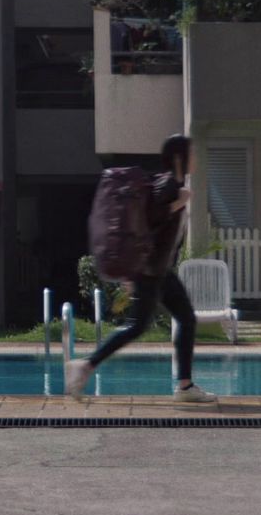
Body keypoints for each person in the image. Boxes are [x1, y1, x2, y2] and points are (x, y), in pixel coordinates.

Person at [66, 134, 216, 403]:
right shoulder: (169, 184)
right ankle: (86, 365)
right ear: (180, 157)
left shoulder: (173, 183)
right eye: (192, 153)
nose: (196, 158)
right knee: (137, 326)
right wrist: (179, 202)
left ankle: (185, 386)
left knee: (185, 319)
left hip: (158, 269)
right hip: (151, 271)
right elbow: (150, 218)